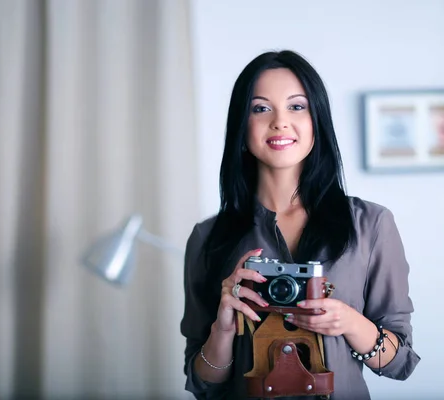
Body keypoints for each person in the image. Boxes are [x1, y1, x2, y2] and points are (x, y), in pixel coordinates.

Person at [180, 50, 420, 400]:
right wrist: (223, 327)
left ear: (316, 120)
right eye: (261, 108)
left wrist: (350, 323)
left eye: (296, 106)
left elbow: (400, 364)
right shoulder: (208, 238)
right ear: (241, 125)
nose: (279, 122)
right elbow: (202, 382)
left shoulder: (371, 225)